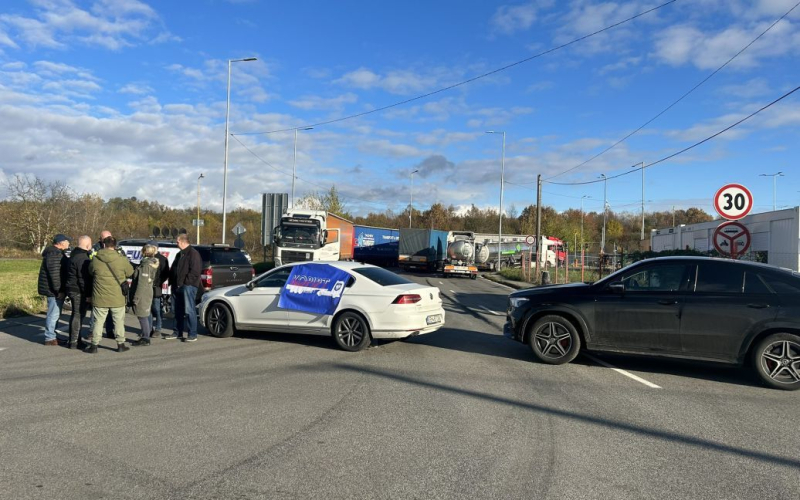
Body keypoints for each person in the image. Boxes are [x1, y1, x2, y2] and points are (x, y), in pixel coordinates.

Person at [86, 236, 133, 353]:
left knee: (98, 322)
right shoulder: (121, 259)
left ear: (103, 244)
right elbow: (130, 272)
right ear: (115, 245)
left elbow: (90, 271)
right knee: (118, 322)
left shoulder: (96, 259)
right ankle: (120, 344)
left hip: (100, 296)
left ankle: (94, 345)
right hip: (117, 297)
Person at [89, 230, 126, 338]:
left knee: (111, 311)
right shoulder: (95, 249)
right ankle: (92, 332)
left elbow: (124, 263)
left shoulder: (118, 248)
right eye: (105, 238)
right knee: (97, 312)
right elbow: (91, 264)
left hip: (114, 284)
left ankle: (110, 331)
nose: (108, 240)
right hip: (100, 283)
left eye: (109, 237)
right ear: (100, 239)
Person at [166, 234, 202, 342]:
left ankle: (192, 334)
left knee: (189, 310)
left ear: (182, 241)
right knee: (177, 310)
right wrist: (172, 282)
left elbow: (195, 271)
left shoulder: (193, 254)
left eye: (177, 242)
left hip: (188, 286)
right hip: (177, 286)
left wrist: (186, 283)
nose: (176, 244)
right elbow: (174, 269)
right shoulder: (179, 254)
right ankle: (177, 332)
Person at [38, 234, 70, 346]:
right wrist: (59, 290)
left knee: (55, 314)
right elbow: (55, 275)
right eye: (67, 241)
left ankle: (53, 335)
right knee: (53, 314)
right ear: (61, 243)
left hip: (54, 289)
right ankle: (49, 337)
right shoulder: (54, 254)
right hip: (53, 291)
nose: (68, 243)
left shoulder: (55, 253)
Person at [65, 235, 92, 349]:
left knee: (76, 314)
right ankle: (74, 341)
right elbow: (83, 278)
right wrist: (88, 294)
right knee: (78, 314)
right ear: (87, 245)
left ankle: (75, 339)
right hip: (78, 290)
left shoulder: (74, 254)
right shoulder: (82, 258)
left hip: (71, 288)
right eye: (90, 243)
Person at [131, 244, 159, 346]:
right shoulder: (150, 263)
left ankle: (145, 338)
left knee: (142, 315)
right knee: (144, 315)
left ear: (144, 252)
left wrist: (136, 297)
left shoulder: (146, 265)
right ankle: (145, 335)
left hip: (143, 293)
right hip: (147, 292)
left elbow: (141, 283)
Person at [150, 242, 170, 337]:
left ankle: (158, 328)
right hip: (146, 288)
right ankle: (149, 329)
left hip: (156, 288)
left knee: (157, 308)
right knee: (147, 310)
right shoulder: (146, 258)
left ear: (156, 248)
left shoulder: (162, 259)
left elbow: (166, 274)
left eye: (151, 247)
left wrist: (158, 282)